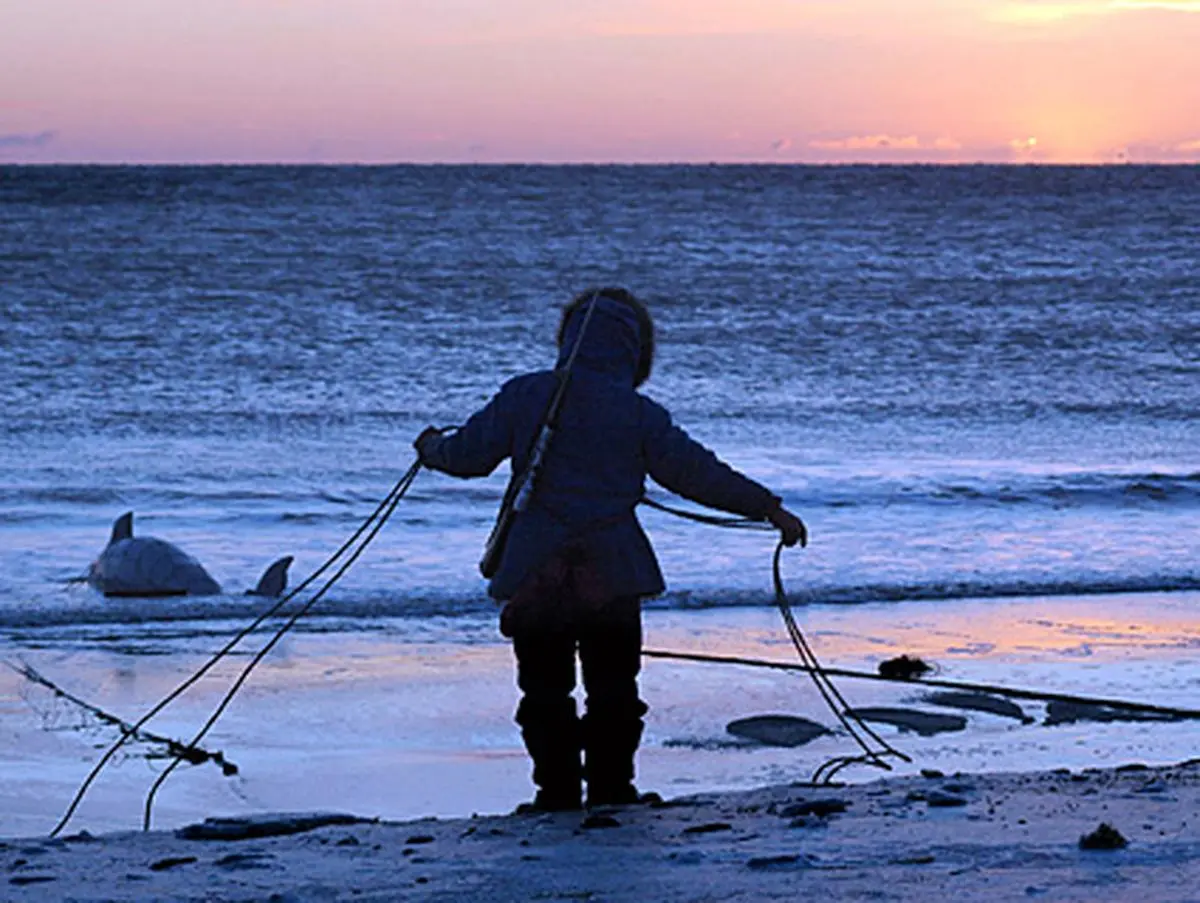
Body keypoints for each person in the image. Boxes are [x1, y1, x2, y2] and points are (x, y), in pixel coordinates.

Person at [414, 287, 806, 812]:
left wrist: (429, 447)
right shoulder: (639, 413)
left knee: (544, 693)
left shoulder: (526, 394)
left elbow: (466, 457)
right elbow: (697, 474)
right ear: (634, 350)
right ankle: (612, 791)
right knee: (615, 690)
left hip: (536, 572)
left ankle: (555, 794)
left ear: (569, 340)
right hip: (613, 575)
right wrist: (767, 508)